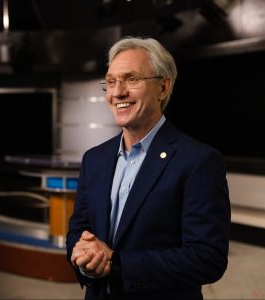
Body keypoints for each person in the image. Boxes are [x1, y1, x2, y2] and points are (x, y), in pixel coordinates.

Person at [66, 36, 231, 300]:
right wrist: (83, 255)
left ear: (163, 87)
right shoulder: (94, 159)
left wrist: (117, 263)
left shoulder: (198, 161)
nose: (118, 92)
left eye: (132, 79)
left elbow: (207, 258)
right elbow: (78, 230)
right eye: (110, 82)